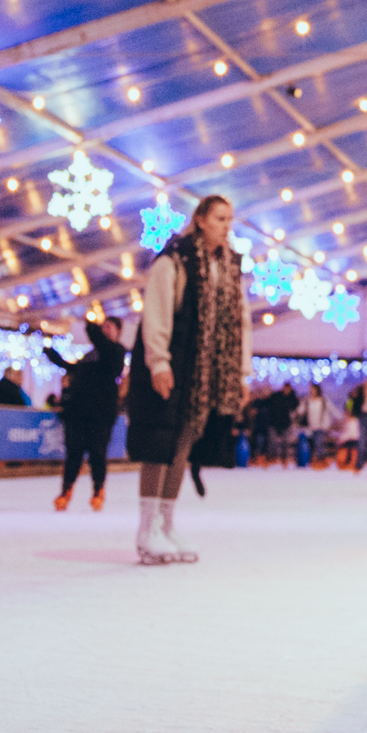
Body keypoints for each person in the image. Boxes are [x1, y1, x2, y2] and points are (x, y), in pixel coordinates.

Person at [125, 198, 244, 564]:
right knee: (159, 440)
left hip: (204, 369)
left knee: (183, 443)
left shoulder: (227, 266)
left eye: (230, 220)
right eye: (220, 219)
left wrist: (240, 372)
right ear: (200, 221)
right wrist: (159, 362)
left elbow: (241, 322)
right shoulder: (174, 259)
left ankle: (166, 522)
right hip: (173, 362)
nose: (226, 226)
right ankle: (147, 529)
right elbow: (156, 314)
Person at [47, 315, 129, 509]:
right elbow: (75, 370)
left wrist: (92, 327)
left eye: (110, 327)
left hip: (101, 414)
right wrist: (54, 357)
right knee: (73, 452)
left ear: (118, 332)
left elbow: (104, 348)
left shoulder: (116, 351)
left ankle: (98, 490)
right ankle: (66, 490)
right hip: (78, 412)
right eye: (104, 326)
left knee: (97, 454)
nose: (105, 330)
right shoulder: (91, 354)